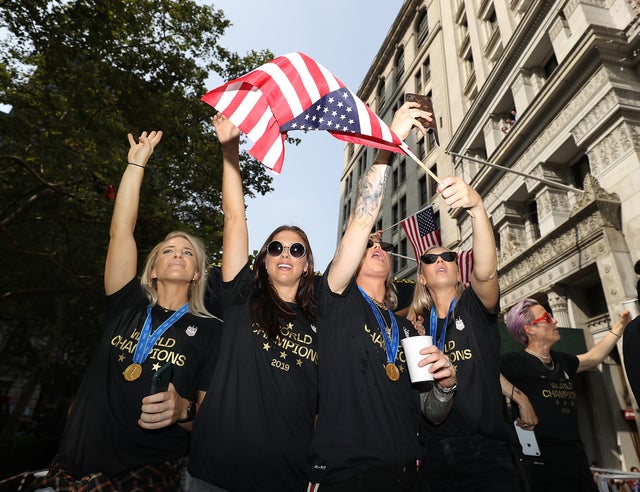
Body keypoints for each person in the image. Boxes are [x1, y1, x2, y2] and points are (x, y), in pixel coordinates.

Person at [29, 131, 223, 491]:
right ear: (151, 269)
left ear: (197, 273)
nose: (177, 254)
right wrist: (136, 164)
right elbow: (121, 232)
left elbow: (211, 421)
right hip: (70, 469)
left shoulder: (213, 330)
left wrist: (183, 410)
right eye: (167, 250)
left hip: (145, 476)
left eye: (187, 252)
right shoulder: (126, 303)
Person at [308, 102, 456, 492]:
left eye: (382, 244)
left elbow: (431, 412)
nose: (376, 244)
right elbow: (361, 218)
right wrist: (388, 143)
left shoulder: (407, 328)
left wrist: (444, 386)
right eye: (368, 243)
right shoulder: (336, 299)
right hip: (348, 475)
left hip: (411, 473)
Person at [187, 114, 318, 492]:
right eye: (275, 247)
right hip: (216, 474)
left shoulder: (322, 321)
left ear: (307, 263)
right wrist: (230, 151)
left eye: (297, 249)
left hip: (288, 477)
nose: (285, 253)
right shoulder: (242, 297)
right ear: (262, 258)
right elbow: (233, 219)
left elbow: (318, 407)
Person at [409, 178, 522, 491]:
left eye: (448, 257)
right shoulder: (419, 332)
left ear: (459, 270)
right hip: (432, 457)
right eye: (430, 259)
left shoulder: (475, 308)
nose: (441, 261)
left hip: (484, 453)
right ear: (422, 275)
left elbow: (485, 273)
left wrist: (477, 209)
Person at [503, 298, 632, 492]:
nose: (555, 321)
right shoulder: (516, 361)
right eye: (547, 317)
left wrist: (620, 326)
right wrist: (520, 398)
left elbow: (593, 358)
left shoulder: (562, 361)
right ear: (530, 329)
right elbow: (481, 369)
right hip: (543, 469)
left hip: (578, 461)